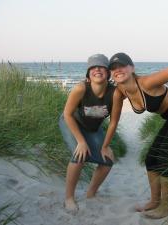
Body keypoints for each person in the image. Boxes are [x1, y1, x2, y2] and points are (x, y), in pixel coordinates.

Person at [109, 53, 168, 219]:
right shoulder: (119, 92)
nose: (118, 70)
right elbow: (113, 122)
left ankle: (166, 207)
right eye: (113, 68)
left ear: (132, 68)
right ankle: (154, 201)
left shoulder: (146, 82)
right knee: (151, 159)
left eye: (122, 66)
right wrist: (104, 145)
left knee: (167, 159)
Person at [59, 54, 123, 212]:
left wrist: (105, 146)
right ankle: (69, 198)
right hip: (72, 123)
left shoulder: (115, 93)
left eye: (101, 67)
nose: (97, 70)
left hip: (93, 129)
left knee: (107, 160)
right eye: (93, 67)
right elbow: (67, 114)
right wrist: (81, 142)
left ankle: (91, 194)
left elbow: (113, 122)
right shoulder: (81, 88)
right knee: (79, 156)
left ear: (108, 73)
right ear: (88, 74)